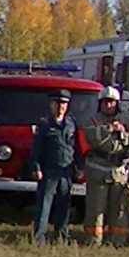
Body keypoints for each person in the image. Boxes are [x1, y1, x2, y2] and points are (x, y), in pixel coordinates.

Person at [81, 86, 129, 246]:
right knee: (96, 209)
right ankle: (93, 241)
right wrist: (109, 128)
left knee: (120, 209)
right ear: (100, 103)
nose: (108, 105)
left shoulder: (127, 121)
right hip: (97, 170)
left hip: (119, 171)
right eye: (105, 102)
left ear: (118, 103)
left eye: (112, 102)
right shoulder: (92, 121)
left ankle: (118, 241)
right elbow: (92, 138)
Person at [29, 89, 82, 245]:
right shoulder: (44, 124)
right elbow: (36, 149)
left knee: (64, 207)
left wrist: (80, 166)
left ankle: (62, 237)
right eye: (57, 103)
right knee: (44, 207)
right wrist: (36, 167)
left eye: (64, 104)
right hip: (49, 171)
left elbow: (76, 148)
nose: (61, 107)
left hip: (66, 172)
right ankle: (39, 238)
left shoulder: (71, 124)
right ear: (51, 104)